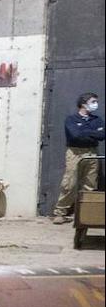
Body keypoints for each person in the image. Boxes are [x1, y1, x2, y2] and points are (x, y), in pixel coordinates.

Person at [53, 92, 104, 224]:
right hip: (75, 153)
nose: (95, 104)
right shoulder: (71, 119)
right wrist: (93, 132)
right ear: (83, 103)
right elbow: (74, 136)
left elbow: (102, 135)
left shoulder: (97, 119)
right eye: (93, 102)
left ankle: (85, 214)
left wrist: (85, 132)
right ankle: (60, 212)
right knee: (70, 183)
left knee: (90, 184)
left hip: (92, 153)